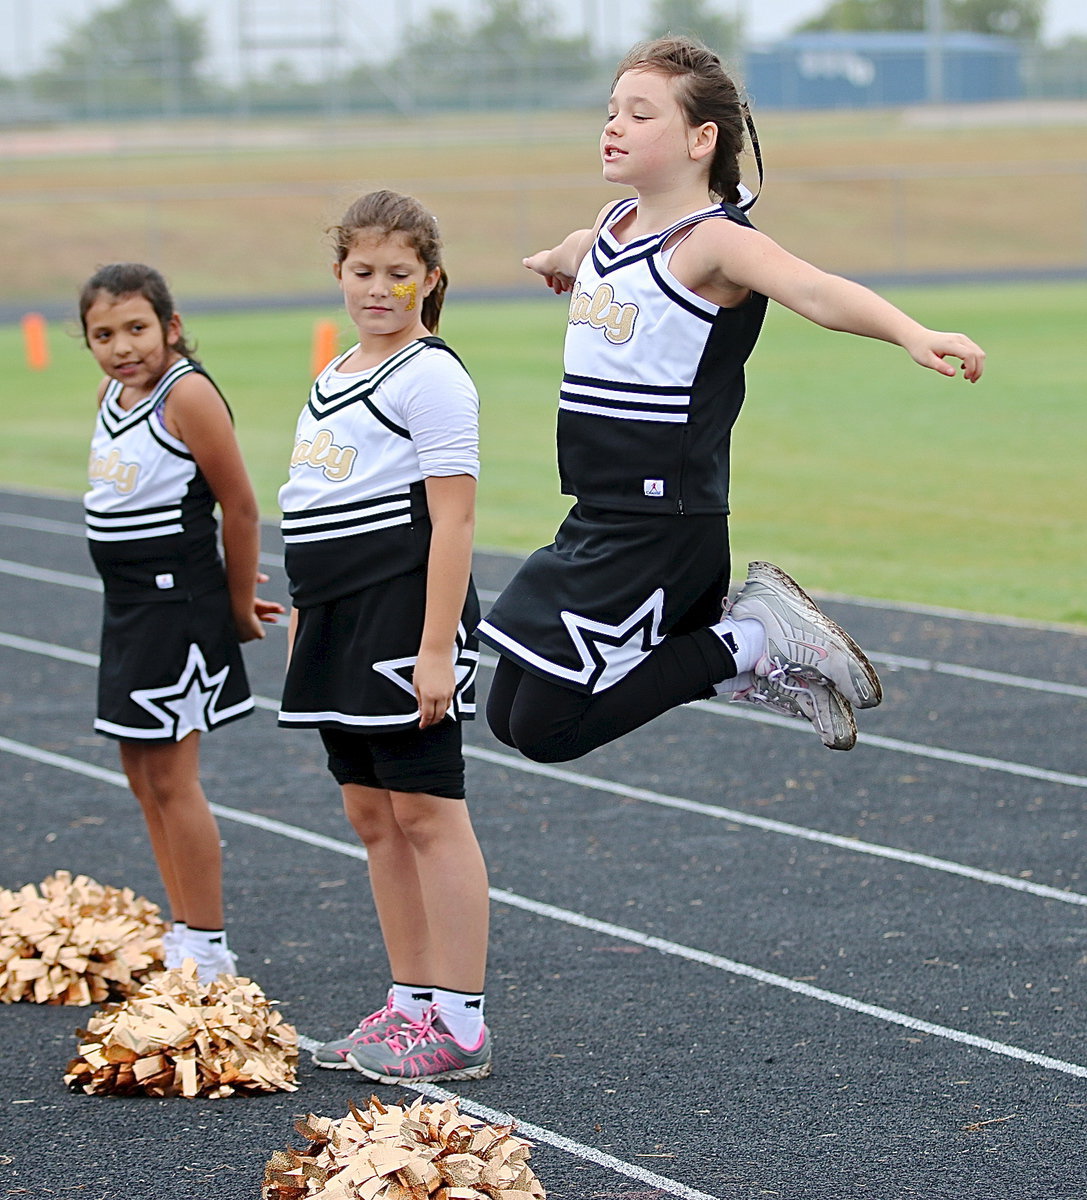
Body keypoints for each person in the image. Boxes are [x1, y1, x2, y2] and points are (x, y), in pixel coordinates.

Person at [478, 36, 985, 759]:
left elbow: (814, 290)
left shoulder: (713, 244)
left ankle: (752, 639)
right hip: (596, 512)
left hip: (662, 521)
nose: (613, 126)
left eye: (640, 114)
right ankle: (742, 649)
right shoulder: (608, 230)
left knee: (544, 731)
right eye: (611, 111)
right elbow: (578, 253)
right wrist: (554, 263)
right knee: (506, 714)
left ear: (699, 138)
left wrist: (911, 332)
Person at [278, 190, 491, 1083]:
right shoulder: (332, 377)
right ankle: (410, 1002)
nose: (378, 288)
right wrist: (301, 622)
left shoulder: (430, 375)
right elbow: (314, 510)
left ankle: (462, 1023)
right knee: (369, 813)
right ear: (339, 275)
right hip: (334, 617)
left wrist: (437, 646)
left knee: (426, 812)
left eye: (398, 274)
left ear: (428, 280)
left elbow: (454, 521)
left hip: (403, 616)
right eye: (362, 272)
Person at [80, 263, 282, 983]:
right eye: (102, 334)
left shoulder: (186, 393)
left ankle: (208, 947)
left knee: (172, 776)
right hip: (130, 608)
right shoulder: (112, 392)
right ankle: (183, 929)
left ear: (168, 326)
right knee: (140, 774)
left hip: (178, 608)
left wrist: (232, 606)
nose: (121, 346)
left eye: (136, 328)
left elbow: (240, 506)